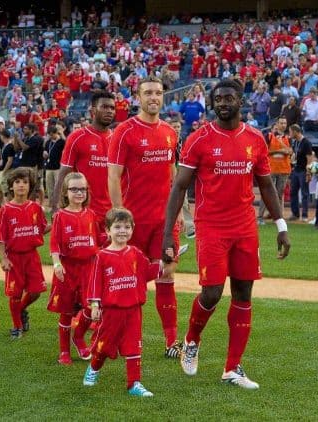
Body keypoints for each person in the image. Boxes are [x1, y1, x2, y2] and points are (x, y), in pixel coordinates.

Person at [162, 79, 290, 389]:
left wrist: (281, 225)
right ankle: (192, 341)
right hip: (212, 227)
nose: (222, 102)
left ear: (241, 101)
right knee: (212, 293)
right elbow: (179, 186)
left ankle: (233, 368)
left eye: (229, 97)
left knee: (244, 294)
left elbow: (266, 185)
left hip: (245, 227)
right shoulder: (198, 139)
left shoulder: (255, 139)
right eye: (217, 98)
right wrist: (169, 233)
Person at [108, 76, 182, 358]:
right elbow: (113, 175)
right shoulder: (124, 131)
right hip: (133, 219)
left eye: (158, 93)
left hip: (163, 220)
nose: (154, 97)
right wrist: (118, 215)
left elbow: (174, 175)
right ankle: (119, 335)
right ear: (137, 97)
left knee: (167, 273)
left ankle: (171, 341)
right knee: (129, 279)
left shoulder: (169, 132)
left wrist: (180, 212)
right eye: (148, 92)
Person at [83, 208, 163, 397]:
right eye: (117, 227)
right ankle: (94, 368)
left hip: (133, 310)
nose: (122, 231)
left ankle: (134, 383)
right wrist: (95, 304)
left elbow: (147, 273)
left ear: (132, 230)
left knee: (134, 346)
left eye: (127, 227)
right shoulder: (102, 256)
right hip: (111, 312)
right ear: (108, 231)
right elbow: (95, 282)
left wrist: (163, 265)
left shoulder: (135, 253)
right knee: (104, 345)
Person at [47, 172, 100, 365]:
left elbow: (98, 239)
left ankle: (78, 337)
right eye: (74, 189)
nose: (79, 193)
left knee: (90, 307)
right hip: (68, 270)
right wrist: (57, 263)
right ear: (65, 192)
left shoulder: (91, 214)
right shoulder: (60, 216)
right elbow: (54, 244)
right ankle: (64, 352)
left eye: (82, 189)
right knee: (66, 311)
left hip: (89, 269)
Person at [0, 167, 49, 339]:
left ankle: (21, 310)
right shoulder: (5, 210)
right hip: (14, 258)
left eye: (25, 182)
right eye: (17, 182)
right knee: (15, 293)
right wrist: (3, 258)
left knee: (36, 291)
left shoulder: (36, 208)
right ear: (11, 186)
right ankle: (17, 326)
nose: (21, 185)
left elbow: (41, 229)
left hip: (32, 256)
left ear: (30, 185)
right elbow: (0, 237)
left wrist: (58, 222)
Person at [53, 90, 115, 231]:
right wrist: (56, 207)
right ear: (93, 110)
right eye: (104, 107)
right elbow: (64, 173)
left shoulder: (117, 140)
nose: (109, 111)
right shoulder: (77, 137)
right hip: (83, 210)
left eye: (112, 108)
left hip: (112, 213)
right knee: (82, 252)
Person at [258, 117, 292, 224]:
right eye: (281, 123)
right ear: (277, 124)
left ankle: (278, 218)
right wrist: (280, 150)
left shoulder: (288, 138)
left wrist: (287, 152)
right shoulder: (269, 136)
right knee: (266, 193)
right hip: (270, 169)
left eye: (285, 123)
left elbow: (291, 152)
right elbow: (264, 152)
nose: (283, 125)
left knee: (279, 194)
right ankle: (260, 217)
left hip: (283, 169)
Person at [288, 124, 313, 221]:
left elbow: (309, 159)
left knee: (304, 193)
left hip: (303, 171)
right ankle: (295, 213)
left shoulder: (306, 142)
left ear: (295, 132)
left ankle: (305, 215)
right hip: (296, 170)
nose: (289, 134)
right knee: (293, 192)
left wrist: (308, 172)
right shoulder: (295, 142)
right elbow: (294, 154)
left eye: (290, 132)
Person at [43, 124, 66, 211]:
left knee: (58, 187)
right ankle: (52, 205)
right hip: (49, 167)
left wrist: (62, 134)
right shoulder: (48, 142)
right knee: (49, 187)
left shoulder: (61, 142)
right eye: (49, 135)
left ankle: (59, 205)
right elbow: (45, 150)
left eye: (52, 134)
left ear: (56, 133)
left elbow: (67, 146)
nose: (51, 136)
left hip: (57, 168)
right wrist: (44, 153)